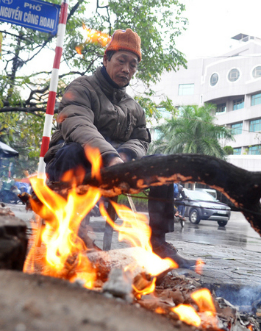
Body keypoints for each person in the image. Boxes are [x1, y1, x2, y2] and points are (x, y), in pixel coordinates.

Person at [44, 28, 196, 268]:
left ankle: (158, 244)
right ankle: (71, 237)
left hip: (119, 167)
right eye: (121, 61)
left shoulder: (135, 108)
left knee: (163, 164)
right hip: (73, 164)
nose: (126, 69)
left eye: (133, 65)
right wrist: (110, 156)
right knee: (72, 151)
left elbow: (141, 140)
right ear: (106, 60)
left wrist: (125, 156)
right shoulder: (81, 87)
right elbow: (78, 124)